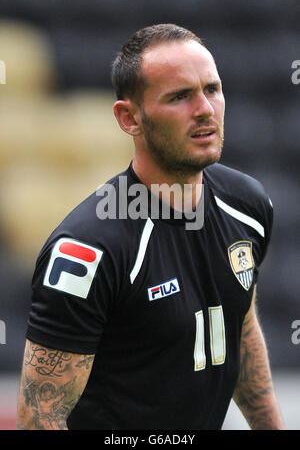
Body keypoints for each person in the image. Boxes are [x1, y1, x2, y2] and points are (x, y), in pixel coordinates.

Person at [17, 23, 284, 430]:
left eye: (212, 89)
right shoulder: (88, 249)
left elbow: (240, 325)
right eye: (180, 96)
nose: (205, 110)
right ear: (129, 118)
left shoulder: (248, 204)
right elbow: (39, 416)